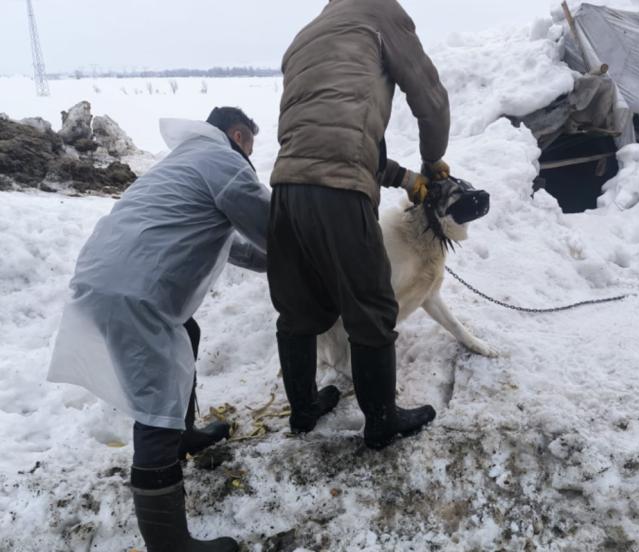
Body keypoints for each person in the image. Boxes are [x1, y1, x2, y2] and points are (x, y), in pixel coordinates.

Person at [48, 107, 269, 552]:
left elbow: (232, 244)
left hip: (107, 278)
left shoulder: (184, 161)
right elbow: (277, 227)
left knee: (187, 333)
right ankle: (169, 543)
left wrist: (272, 262)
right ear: (237, 134)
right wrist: (325, 250)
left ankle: (183, 436)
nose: (250, 153)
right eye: (250, 143)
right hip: (135, 294)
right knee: (156, 410)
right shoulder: (223, 161)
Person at [267, 0, 452, 450]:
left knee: (297, 308)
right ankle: (382, 420)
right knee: (370, 305)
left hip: (286, 189)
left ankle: (304, 409)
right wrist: (432, 162)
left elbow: (329, 135)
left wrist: (406, 179)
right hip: (341, 193)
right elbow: (429, 97)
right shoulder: (378, 12)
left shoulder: (306, 35)